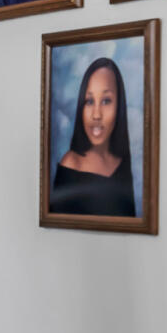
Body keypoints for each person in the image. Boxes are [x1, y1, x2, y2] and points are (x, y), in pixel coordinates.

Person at [49, 55, 139, 218]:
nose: (96, 115)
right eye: (89, 101)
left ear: (119, 106)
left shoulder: (122, 163)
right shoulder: (71, 163)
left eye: (106, 101)